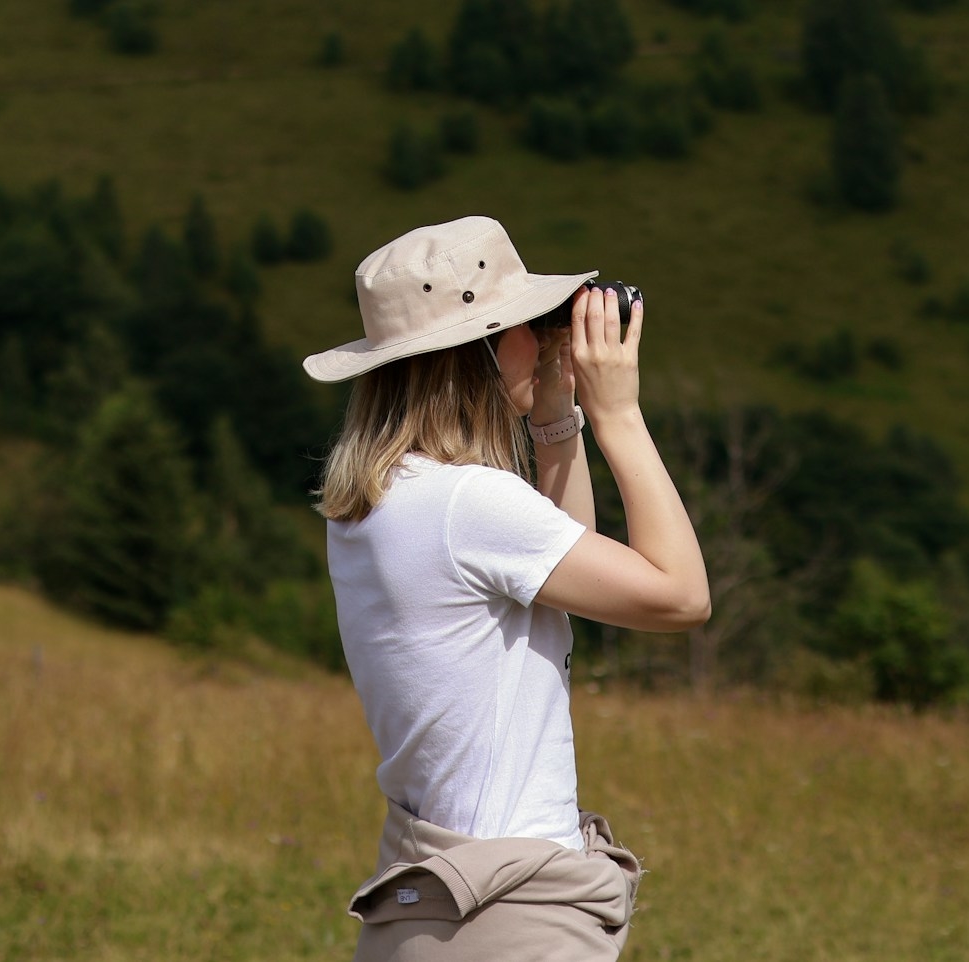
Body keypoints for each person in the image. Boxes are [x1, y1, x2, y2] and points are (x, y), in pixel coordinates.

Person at [302, 215, 710, 961]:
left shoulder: (382, 502)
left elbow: (560, 579)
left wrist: (557, 417)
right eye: (526, 325)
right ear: (479, 352)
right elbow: (680, 596)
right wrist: (618, 414)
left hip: (429, 903)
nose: (543, 337)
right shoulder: (468, 505)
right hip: (512, 913)